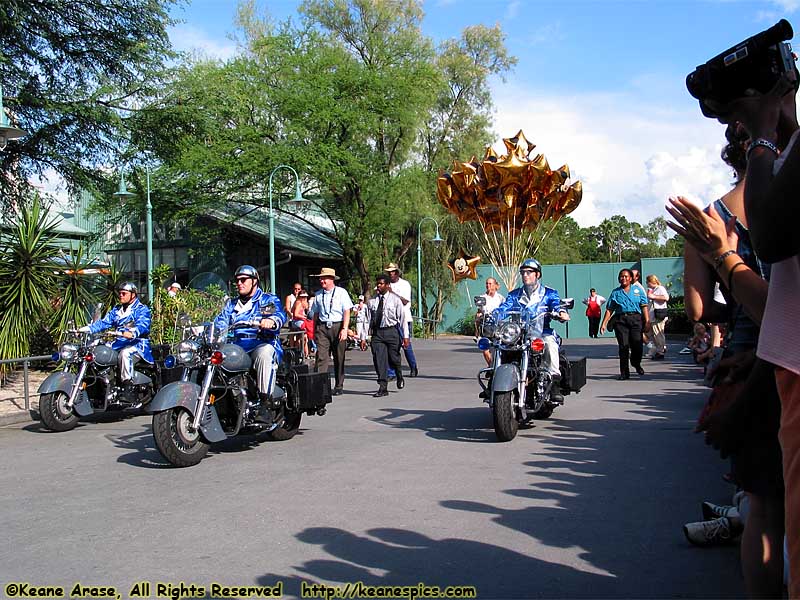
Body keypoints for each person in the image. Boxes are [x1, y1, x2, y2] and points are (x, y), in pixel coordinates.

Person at [704, 67, 800, 598]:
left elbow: (772, 238)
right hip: (774, 362)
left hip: (779, 364)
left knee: (764, 503)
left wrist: (721, 255)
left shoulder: (736, 204)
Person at [492, 258, 569, 402]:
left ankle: (554, 385)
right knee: (497, 344)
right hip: (519, 334)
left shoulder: (549, 293)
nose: (525, 275)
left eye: (529, 272)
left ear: (537, 274)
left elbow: (556, 304)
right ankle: (493, 379)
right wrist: (493, 314)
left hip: (542, 332)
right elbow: (504, 308)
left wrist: (560, 312)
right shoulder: (514, 295)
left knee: (550, 344)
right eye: (523, 272)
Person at [213, 266, 286, 410]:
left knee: (264, 354)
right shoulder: (231, 304)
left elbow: (278, 314)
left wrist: (271, 321)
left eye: (243, 280)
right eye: (237, 280)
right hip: (236, 348)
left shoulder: (266, 300)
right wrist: (207, 329)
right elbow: (220, 322)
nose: (239, 283)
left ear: (254, 281)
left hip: (261, 343)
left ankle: (266, 403)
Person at [78, 282, 153, 395]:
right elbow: (104, 323)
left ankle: (128, 386)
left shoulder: (142, 309)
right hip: (118, 343)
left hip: (137, 344)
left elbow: (143, 325)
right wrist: (86, 329)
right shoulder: (117, 310)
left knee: (125, 354)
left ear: (133, 295)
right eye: (120, 293)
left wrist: (133, 332)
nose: (121, 296)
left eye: (124, 293)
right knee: (98, 351)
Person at [360, 274, 409, 397]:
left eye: (381, 283)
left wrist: (406, 336)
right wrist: (363, 337)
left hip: (391, 332)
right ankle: (383, 387)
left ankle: (399, 375)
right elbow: (366, 320)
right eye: (377, 283)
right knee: (379, 359)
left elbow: (402, 319)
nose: (378, 286)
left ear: (387, 285)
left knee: (394, 358)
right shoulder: (372, 301)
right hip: (378, 334)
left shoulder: (395, 300)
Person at [308, 267, 353, 396]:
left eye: (325, 278)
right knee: (321, 357)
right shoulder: (318, 295)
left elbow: (347, 311)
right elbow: (315, 313)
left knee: (339, 357)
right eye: (321, 278)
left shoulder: (341, 292)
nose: (322, 280)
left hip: (337, 326)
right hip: (322, 328)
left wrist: (345, 328)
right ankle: (320, 386)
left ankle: (339, 385)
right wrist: (314, 330)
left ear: (332, 279)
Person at [600, 269, 649, 380]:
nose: (624, 278)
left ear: (631, 278)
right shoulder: (615, 292)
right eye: (622, 276)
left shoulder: (638, 290)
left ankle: (636, 363)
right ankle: (624, 372)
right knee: (623, 347)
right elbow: (609, 309)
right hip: (621, 321)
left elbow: (644, 306)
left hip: (636, 319)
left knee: (637, 345)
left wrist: (647, 321)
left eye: (626, 276)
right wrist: (604, 324)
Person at [385, 263, 418, 378]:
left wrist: (391, 292)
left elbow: (405, 301)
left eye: (392, 272)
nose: (390, 274)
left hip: (404, 319)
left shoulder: (404, 284)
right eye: (388, 272)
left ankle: (413, 367)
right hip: (391, 321)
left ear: (397, 273)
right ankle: (391, 372)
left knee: (406, 346)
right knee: (391, 347)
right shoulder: (386, 285)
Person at [475, 277, 505, 365]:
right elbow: (478, 313)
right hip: (486, 326)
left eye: (490, 284)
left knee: (497, 349)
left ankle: (495, 367)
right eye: (487, 283)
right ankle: (491, 366)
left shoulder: (500, 298)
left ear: (495, 285)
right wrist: (476, 330)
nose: (488, 285)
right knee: (485, 349)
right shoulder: (482, 298)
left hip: (497, 327)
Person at [646, 275, 669, 359]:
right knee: (653, 334)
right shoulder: (652, 290)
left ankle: (661, 351)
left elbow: (666, 298)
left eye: (647, 282)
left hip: (658, 315)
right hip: (652, 316)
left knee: (658, 333)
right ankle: (659, 349)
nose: (647, 284)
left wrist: (653, 297)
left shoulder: (660, 288)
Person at [290, 290, 314, 359]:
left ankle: (304, 354)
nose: (305, 298)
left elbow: (292, 310)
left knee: (302, 337)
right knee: (306, 335)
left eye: (305, 297)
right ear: (300, 297)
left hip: (297, 322)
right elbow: (295, 314)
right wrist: (304, 317)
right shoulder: (299, 303)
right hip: (297, 322)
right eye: (303, 297)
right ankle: (304, 354)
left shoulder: (299, 302)